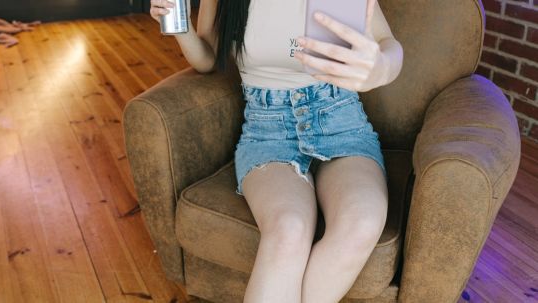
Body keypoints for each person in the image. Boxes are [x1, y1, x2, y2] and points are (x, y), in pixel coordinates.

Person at [150, 0, 403, 302]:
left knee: (362, 222)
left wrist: (381, 68)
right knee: (288, 229)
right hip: (269, 130)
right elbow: (207, 58)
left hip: (341, 120)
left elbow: (389, 45)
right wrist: (179, 25)